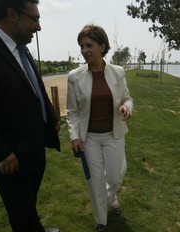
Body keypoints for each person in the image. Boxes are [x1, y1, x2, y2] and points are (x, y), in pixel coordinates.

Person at [0, 0, 61, 231]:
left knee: (27, 206)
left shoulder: (22, 47)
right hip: (10, 160)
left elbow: (33, 84)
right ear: (12, 15)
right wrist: (0, 152)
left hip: (33, 150)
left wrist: (51, 115)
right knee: (22, 215)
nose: (38, 27)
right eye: (35, 19)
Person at [66, 24, 133, 231]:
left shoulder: (118, 72)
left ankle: (111, 198)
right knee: (95, 180)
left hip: (114, 134)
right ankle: (101, 220)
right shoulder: (74, 77)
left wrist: (126, 107)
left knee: (114, 176)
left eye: (89, 45)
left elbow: (127, 98)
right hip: (90, 138)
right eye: (81, 46)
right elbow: (72, 111)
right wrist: (74, 136)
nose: (84, 50)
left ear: (102, 46)